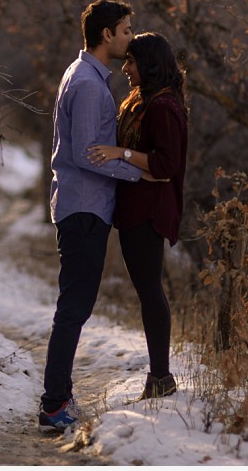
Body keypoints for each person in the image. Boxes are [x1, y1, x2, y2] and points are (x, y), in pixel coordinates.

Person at [39, 0, 152, 433]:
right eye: (125, 30)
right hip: (84, 206)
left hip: (82, 205)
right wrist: (139, 173)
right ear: (107, 35)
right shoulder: (87, 83)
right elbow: (90, 156)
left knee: (75, 306)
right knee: (74, 308)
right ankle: (53, 406)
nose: (128, 38)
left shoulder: (82, 74)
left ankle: (58, 398)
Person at [87, 31, 188, 401]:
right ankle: (159, 376)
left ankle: (161, 377)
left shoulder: (164, 107)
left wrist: (120, 154)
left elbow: (165, 166)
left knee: (150, 292)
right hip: (133, 209)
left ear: (149, 64)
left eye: (131, 62)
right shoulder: (142, 100)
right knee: (147, 290)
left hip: (149, 212)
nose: (125, 68)